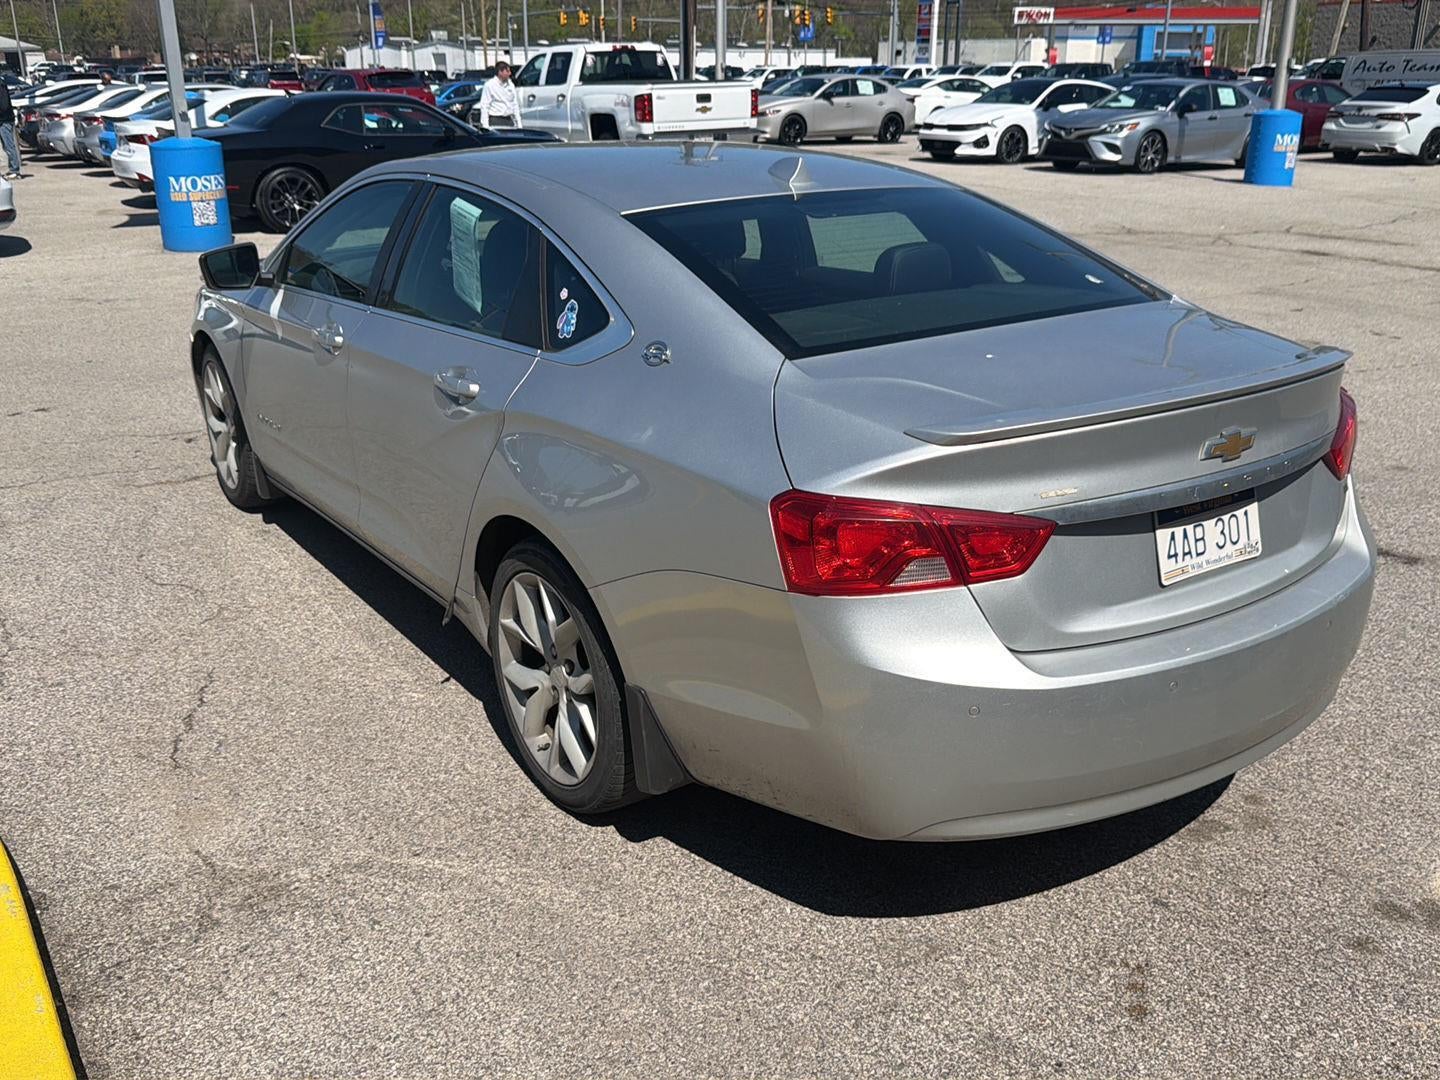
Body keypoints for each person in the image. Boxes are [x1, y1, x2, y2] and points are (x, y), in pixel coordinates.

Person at [477, 61, 523, 130]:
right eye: (507, 71)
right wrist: (485, 127)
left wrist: (519, 125)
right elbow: (485, 106)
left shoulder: (511, 85)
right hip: (495, 121)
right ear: (500, 72)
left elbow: (515, 104)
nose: (510, 73)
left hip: (509, 120)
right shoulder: (489, 85)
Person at [0, 78, 20, 179]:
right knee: (5, 146)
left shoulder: (1, 85)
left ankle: (15, 170)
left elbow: (4, 106)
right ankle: (12, 168)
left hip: (5, 120)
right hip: (3, 120)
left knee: (9, 145)